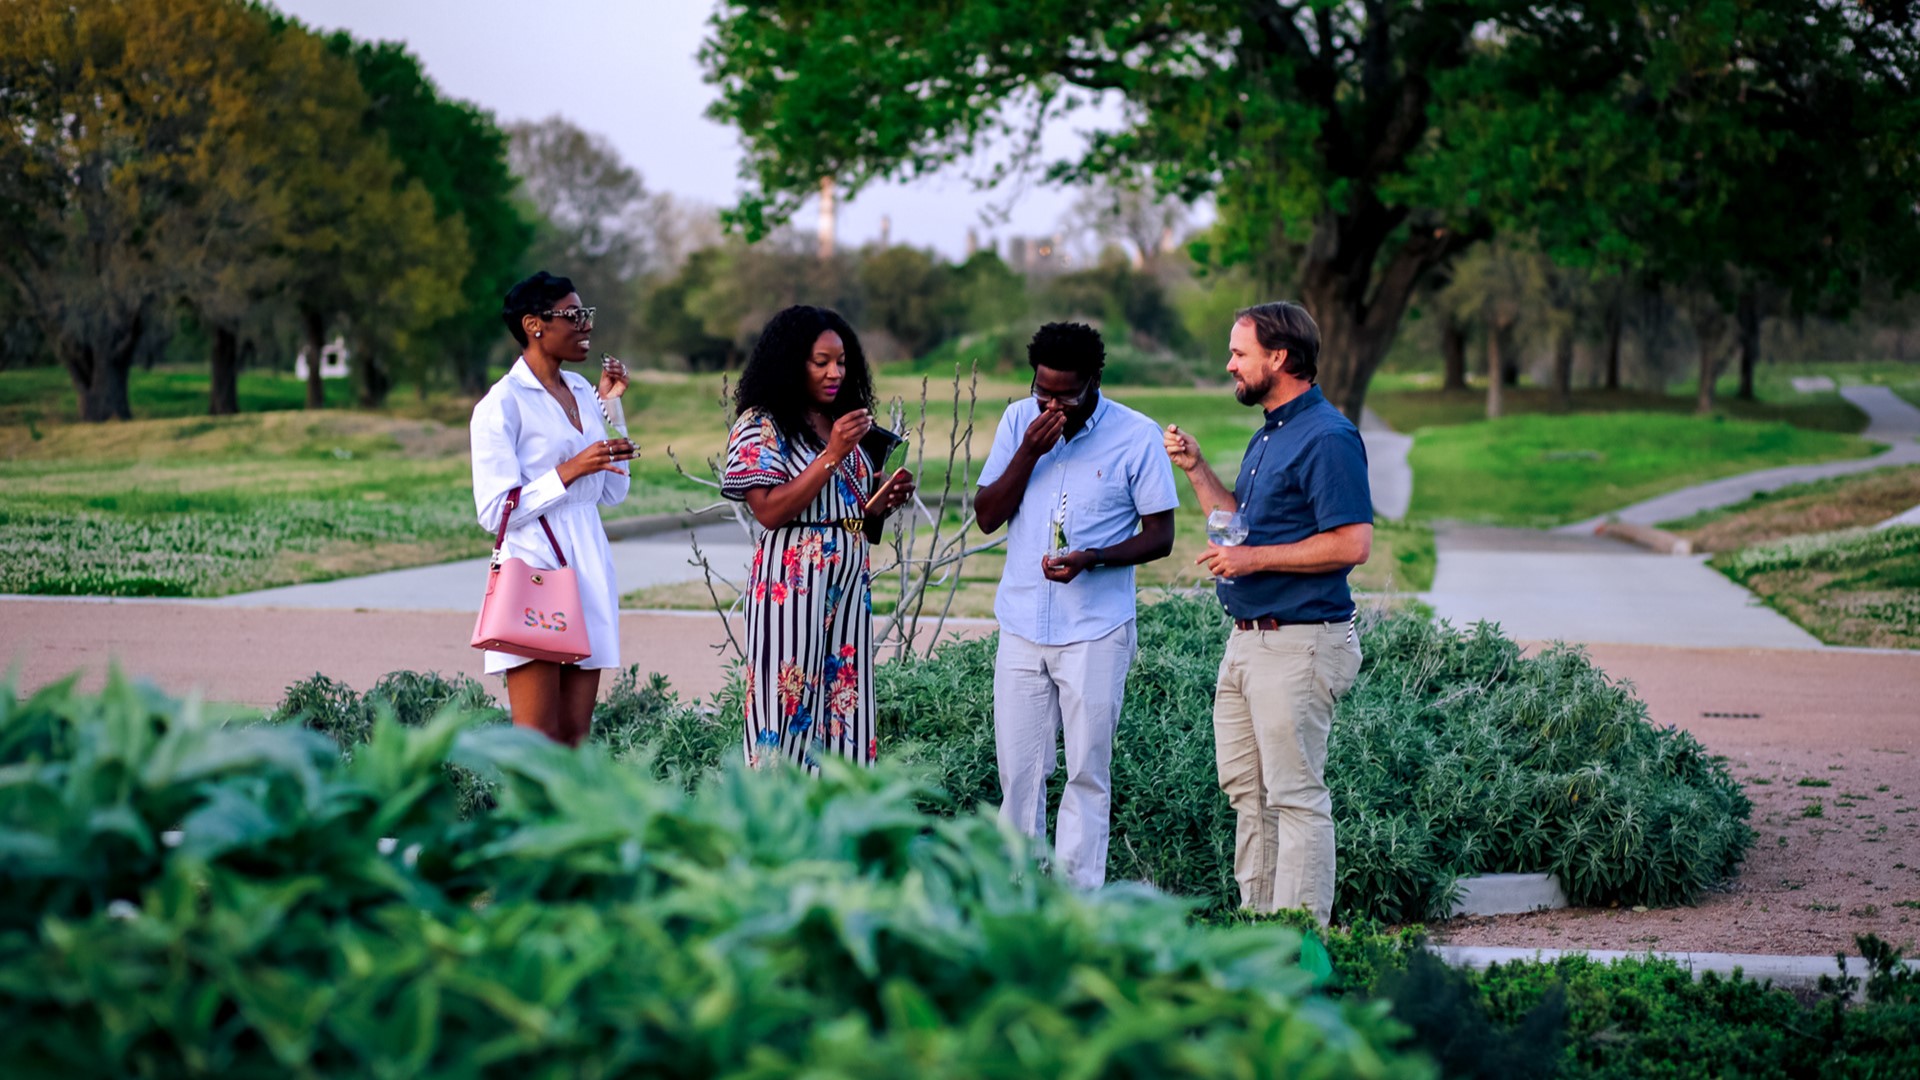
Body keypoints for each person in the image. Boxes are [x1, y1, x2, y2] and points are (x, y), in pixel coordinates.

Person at [1162, 301, 1372, 924]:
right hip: (1248, 645)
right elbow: (1238, 526)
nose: (1229, 364)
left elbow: (1353, 544)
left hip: (1301, 644)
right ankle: (1261, 943)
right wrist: (1198, 469)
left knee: (1296, 800)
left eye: (1239, 353)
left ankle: (1303, 955)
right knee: (1249, 797)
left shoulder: (1328, 437)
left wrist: (1255, 562)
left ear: (1278, 358)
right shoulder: (1272, 431)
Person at [975, 322, 1178, 888]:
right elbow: (988, 513)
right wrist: (1028, 451)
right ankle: (1016, 893)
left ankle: (1076, 903)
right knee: (1019, 774)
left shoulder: (1135, 436)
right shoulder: (1019, 421)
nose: (1052, 405)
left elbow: (1160, 535)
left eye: (1066, 394)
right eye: (1043, 391)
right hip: (1020, 625)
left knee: (1087, 772)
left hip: (1094, 629)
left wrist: (1094, 557)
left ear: (1094, 380)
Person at [722, 305, 916, 772]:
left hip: (849, 580)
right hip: (792, 579)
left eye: (842, 362)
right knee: (787, 702)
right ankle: (774, 821)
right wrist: (831, 454)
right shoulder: (762, 423)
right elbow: (768, 511)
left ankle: (837, 824)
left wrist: (883, 502)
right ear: (792, 363)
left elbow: (859, 525)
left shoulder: (844, 422)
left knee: (845, 703)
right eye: (821, 361)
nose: (835, 372)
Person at [470, 271, 637, 746]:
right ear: (533, 325)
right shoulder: (500, 405)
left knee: (574, 738)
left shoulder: (584, 391)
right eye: (573, 315)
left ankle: (568, 820)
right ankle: (524, 822)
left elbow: (611, 494)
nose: (585, 326)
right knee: (537, 740)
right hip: (537, 571)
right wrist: (570, 470)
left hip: (588, 562)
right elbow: (495, 511)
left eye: (587, 315)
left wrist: (611, 409)